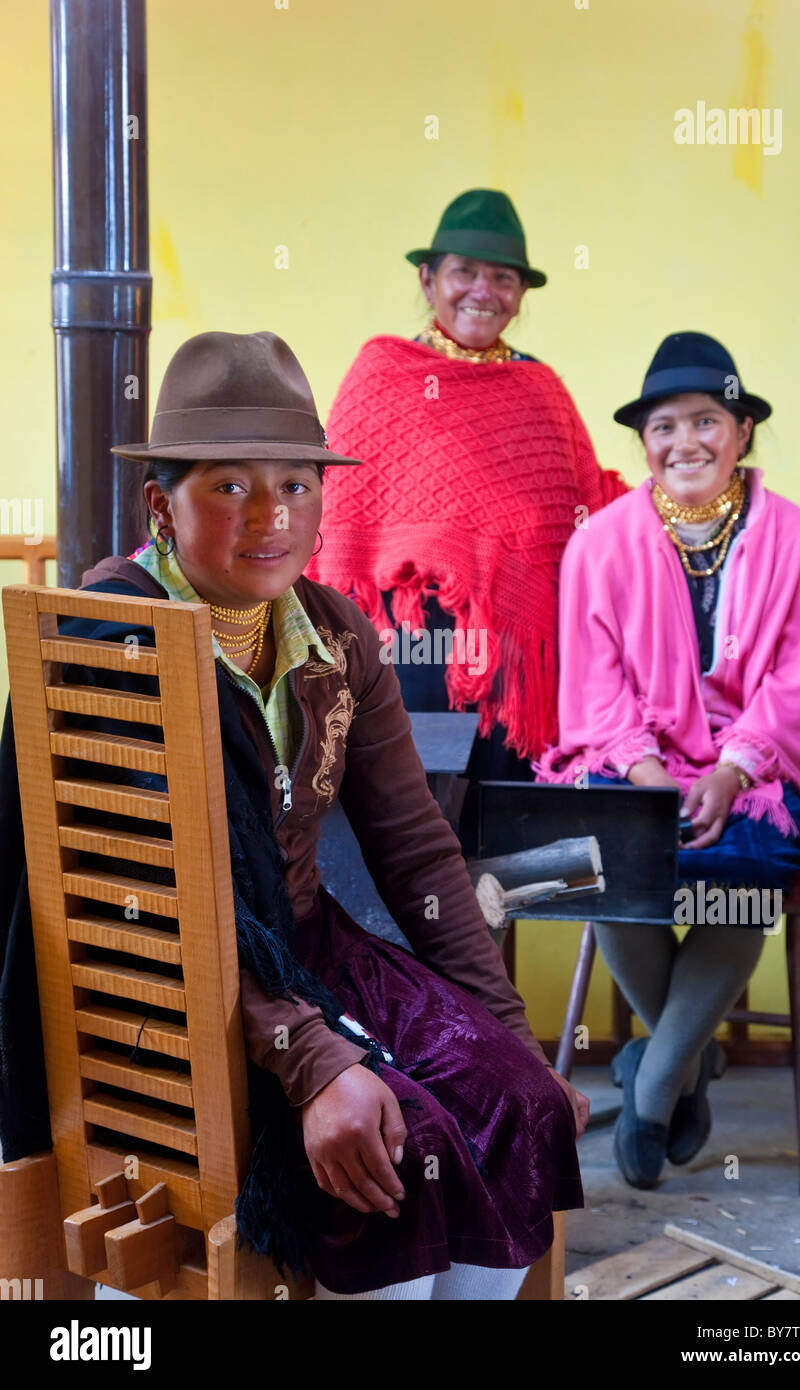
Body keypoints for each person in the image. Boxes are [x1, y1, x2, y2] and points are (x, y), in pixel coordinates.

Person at [0, 330, 587, 1300]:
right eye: (230, 486)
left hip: (305, 954)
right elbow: (170, 903)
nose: (272, 515)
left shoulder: (335, 635)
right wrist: (314, 1062)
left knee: (519, 1104)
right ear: (161, 504)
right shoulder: (112, 641)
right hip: (165, 994)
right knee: (393, 1143)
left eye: (297, 483)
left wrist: (510, 1035)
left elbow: (417, 855)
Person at [534, 331, 800, 1189]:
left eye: (707, 421)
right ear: (642, 443)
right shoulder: (599, 545)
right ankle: (685, 1062)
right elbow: (596, 695)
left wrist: (732, 772)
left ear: (742, 431)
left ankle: (652, 1085)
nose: (686, 443)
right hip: (636, 763)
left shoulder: (795, 539)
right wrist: (651, 781)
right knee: (609, 861)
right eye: (664, 427)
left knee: (746, 872)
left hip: (757, 772)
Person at [306, 189, 627, 847]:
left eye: (502, 278)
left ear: (519, 294)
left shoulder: (541, 390)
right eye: (464, 272)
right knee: (405, 849)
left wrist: (684, 502)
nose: (483, 291)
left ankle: (481, 952)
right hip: (404, 655)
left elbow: (588, 506)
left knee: (495, 860)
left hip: (512, 668)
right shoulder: (381, 373)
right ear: (428, 279)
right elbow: (335, 520)